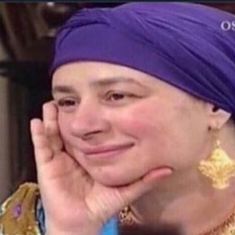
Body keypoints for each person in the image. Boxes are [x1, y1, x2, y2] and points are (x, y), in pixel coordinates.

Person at [1, 2, 235, 235]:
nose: (81, 126)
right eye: (68, 102)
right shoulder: (30, 219)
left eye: (117, 96)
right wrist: (70, 229)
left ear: (215, 107)